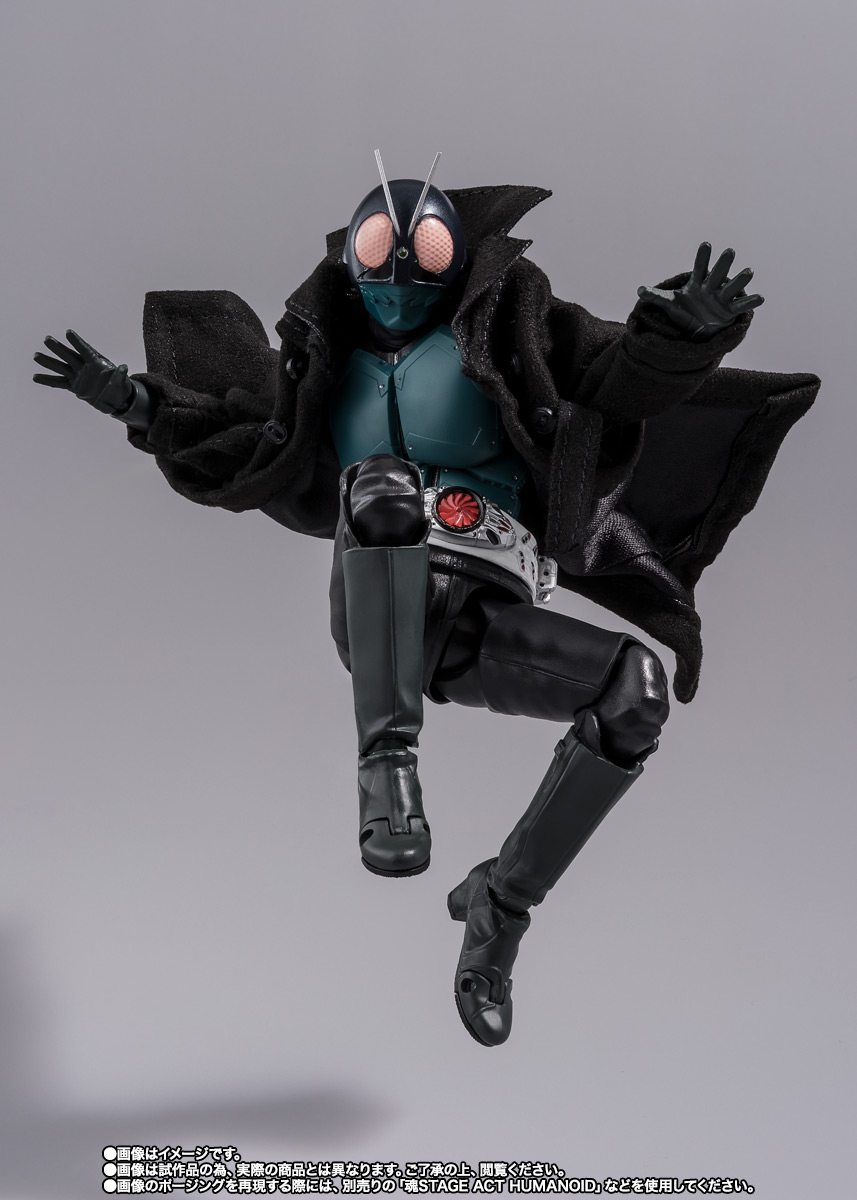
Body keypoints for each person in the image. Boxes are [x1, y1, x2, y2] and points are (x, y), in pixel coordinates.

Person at [33, 151, 819, 1045]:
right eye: (380, 249)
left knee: (633, 691)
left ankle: (501, 907)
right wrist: (132, 401)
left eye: (426, 253)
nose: (401, 276)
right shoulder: (323, 367)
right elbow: (245, 437)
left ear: (456, 262)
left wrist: (678, 336)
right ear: (352, 258)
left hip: (486, 614)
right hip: (380, 607)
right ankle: (386, 768)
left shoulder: (511, 338)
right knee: (382, 486)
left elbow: (612, 383)